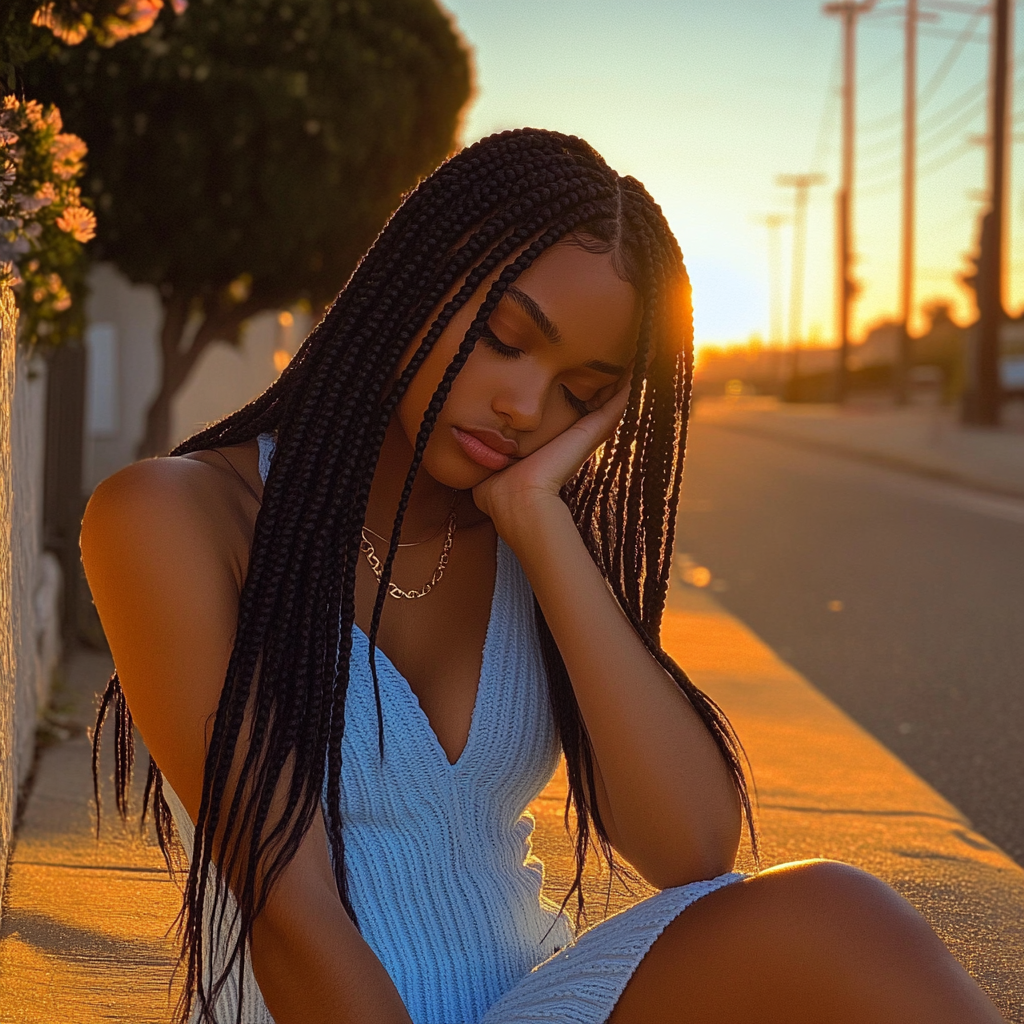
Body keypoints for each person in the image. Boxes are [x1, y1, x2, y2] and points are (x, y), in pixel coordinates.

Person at [80, 128, 1006, 1024]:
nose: (523, 406)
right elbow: (291, 910)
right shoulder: (176, 517)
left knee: (839, 917)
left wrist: (537, 523)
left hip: (539, 998)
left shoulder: (524, 539)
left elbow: (688, 847)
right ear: (416, 280)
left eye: (580, 391)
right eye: (504, 338)